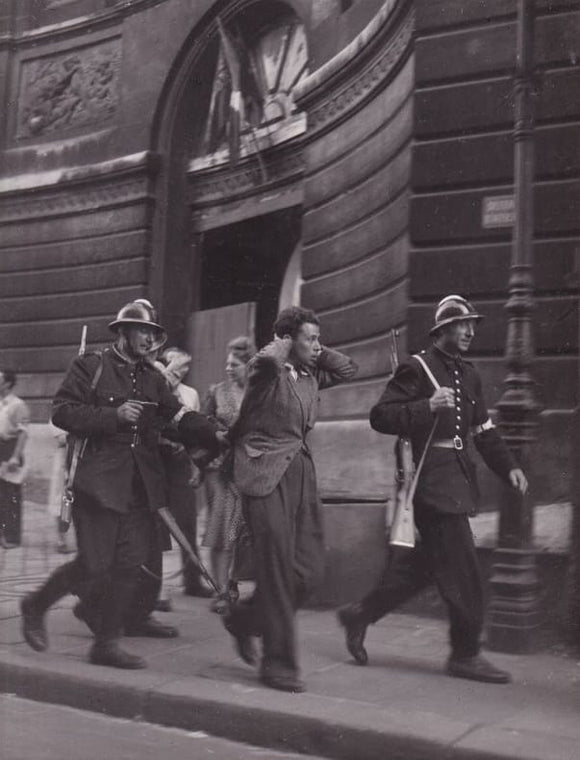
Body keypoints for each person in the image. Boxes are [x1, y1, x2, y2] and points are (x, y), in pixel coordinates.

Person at [20, 299, 224, 670]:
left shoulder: (153, 378)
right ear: (123, 331)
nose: (149, 339)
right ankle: (35, 603)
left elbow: (176, 416)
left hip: (140, 484)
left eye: (154, 334)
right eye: (143, 331)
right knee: (96, 565)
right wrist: (112, 415)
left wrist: (216, 433)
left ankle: (106, 643)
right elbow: (62, 411)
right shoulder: (91, 366)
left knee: (130, 563)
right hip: (97, 481)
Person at [337, 295, 528, 684]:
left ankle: (360, 613)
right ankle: (465, 654)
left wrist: (510, 467)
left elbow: (484, 431)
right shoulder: (417, 368)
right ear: (442, 330)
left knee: (426, 567)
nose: (471, 331)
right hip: (429, 485)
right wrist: (427, 405)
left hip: (457, 481)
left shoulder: (469, 374)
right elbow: (381, 416)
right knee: (466, 571)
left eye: (473, 325)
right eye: (463, 325)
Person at [223, 306, 357, 693]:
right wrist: (284, 344)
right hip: (265, 475)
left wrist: (314, 347)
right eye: (310, 338)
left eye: (318, 338)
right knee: (279, 569)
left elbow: (349, 369)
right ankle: (278, 663)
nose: (317, 346)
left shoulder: (310, 372)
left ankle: (244, 620)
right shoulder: (267, 372)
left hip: (301, 475)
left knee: (309, 572)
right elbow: (264, 363)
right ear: (287, 341)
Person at [202, 336, 255, 612]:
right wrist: (216, 434)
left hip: (250, 470)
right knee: (222, 530)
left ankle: (233, 583)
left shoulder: (259, 393)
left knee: (241, 530)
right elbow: (200, 426)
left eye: (235, 364)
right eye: (227, 363)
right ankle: (220, 590)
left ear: (249, 366)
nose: (229, 368)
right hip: (220, 469)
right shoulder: (216, 392)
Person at [0, 369, 30, 549]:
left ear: (8, 384)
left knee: (11, 494)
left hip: (11, 450)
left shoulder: (18, 405)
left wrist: (15, 457)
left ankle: (12, 538)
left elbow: (23, 433)